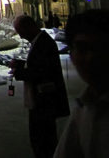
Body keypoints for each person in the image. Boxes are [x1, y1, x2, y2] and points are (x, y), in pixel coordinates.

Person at [10, 14, 70, 158]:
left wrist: (19, 72)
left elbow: (41, 71)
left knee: (44, 141)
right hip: (41, 100)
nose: (21, 36)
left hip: (45, 101)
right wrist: (19, 64)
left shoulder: (44, 43)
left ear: (29, 27)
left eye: (21, 32)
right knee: (40, 139)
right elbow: (36, 65)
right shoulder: (39, 42)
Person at [54, 9, 109, 157]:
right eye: (83, 49)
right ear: (71, 55)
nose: (91, 58)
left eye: (101, 48)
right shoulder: (83, 109)